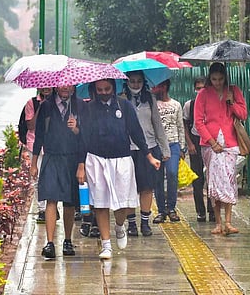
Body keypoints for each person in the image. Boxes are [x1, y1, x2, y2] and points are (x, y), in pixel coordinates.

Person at [78, 78, 161, 259]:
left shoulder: (124, 106)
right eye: (99, 90)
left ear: (113, 88)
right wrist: (81, 165)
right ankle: (106, 244)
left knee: (123, 203)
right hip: (96, 159)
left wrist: (149, 156)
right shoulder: (88, 109)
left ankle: (119, 226)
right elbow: (82, 138)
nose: (103, 92)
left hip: (122, 159)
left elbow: (137, 133)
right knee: (100, 203)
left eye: (107, 88)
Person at [30, 85, 85, 259]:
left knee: (69, 203)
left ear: (73, 86)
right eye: (62, 85)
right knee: (51, 199)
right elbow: (39, 135)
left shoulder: (79, 105)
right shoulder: (46, 105)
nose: (65, 88)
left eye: (69, 85)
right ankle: (50, 243)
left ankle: (68, 240)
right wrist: (34, 163)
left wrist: (76, 129)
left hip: (72, 158)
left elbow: (85, 137)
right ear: (56, 86)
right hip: (52, 157)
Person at [193, 62, 247, 235]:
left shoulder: (234, 91)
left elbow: (243, 114)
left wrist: (232, 103)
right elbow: (198, 122)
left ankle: (229, 221)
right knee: (215, 182)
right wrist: (212, 142)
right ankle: (217, 222)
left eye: (221, 79)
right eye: (214, 79)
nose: (218, 82)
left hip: (230, 143)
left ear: (225, 78)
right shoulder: (203, 94)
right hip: (210, 145)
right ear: (210, 78)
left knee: (229, 180)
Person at [121, 71, 170, 237]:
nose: (135, 84)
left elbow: (157, 125)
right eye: (132, 81)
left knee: (147, 187)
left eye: (138, 81)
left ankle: (145, 222)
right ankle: (132, 223)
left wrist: (165, 149)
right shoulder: (121, 99)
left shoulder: (149, 99)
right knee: (129, 188)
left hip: (149, 148)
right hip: (127, 149)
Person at [152, 79, 186, 223]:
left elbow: (180, 125)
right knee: (157, 178)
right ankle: (161, 210)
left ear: (164, 86)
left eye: (158, 86)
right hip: (156, 145)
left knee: (172, 174)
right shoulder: (152, 105)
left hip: (173, 144)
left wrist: (182, 146)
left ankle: (171, 208)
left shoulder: (176, 104)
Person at [183, 77, 215, 223]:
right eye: (198, 88)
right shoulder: (189, 105)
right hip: (195, 141)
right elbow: (185, 126)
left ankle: (212, 210)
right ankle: (200, 211)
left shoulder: (213, 104)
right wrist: (189, 144)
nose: (200, 91)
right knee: (197, 179)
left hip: (210, 142)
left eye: (203, 88)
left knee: (212, 177)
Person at [24, 87, 53, 223]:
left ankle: (51, 205)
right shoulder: (32, 103)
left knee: (51, 177)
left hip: (52, 145)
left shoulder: (58, 102)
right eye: (43, 85)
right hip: (34, 143)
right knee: (37, 177)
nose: (46, 88)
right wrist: (41, 108)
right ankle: (42, 209)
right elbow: (30, 125)